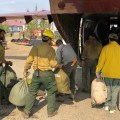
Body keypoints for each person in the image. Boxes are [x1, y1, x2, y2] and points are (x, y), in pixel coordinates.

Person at [22, 30, 59, 118]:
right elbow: (53, 64)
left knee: (32, 92)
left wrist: (25, 69)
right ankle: (51, 112)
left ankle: (26, 112)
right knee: (51, 91)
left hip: (37, 73)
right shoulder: (51, 49)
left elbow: (29, 60)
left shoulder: (35, 47)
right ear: (49, 39)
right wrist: (59, 65)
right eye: (51, 39)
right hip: (47, 74)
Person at [96, 33, 120, 114]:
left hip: (107, 73)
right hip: (118, 74)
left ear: (109, 39)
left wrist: (97, 71)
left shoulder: (105, 48)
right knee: (115, 90)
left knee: (108, 90)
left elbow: (101, 61)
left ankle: (107, 105)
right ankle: (112, 108)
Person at [0, 28, 12, 105]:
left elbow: (1, 57)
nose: (3, 35)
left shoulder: (1, 43)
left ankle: (3, 98)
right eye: (2, 34)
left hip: (1, 65)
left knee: (2, 83)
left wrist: (6, 62)